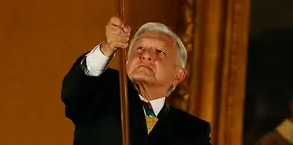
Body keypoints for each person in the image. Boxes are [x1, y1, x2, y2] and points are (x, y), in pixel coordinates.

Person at [61, 16, 212, 144]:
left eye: (160, 51)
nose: (146, 55)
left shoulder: (194, 130)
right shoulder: (102, 88)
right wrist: (108, 47)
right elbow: (75, 90)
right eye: (140, 48)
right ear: (127, 61)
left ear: (178, 75)